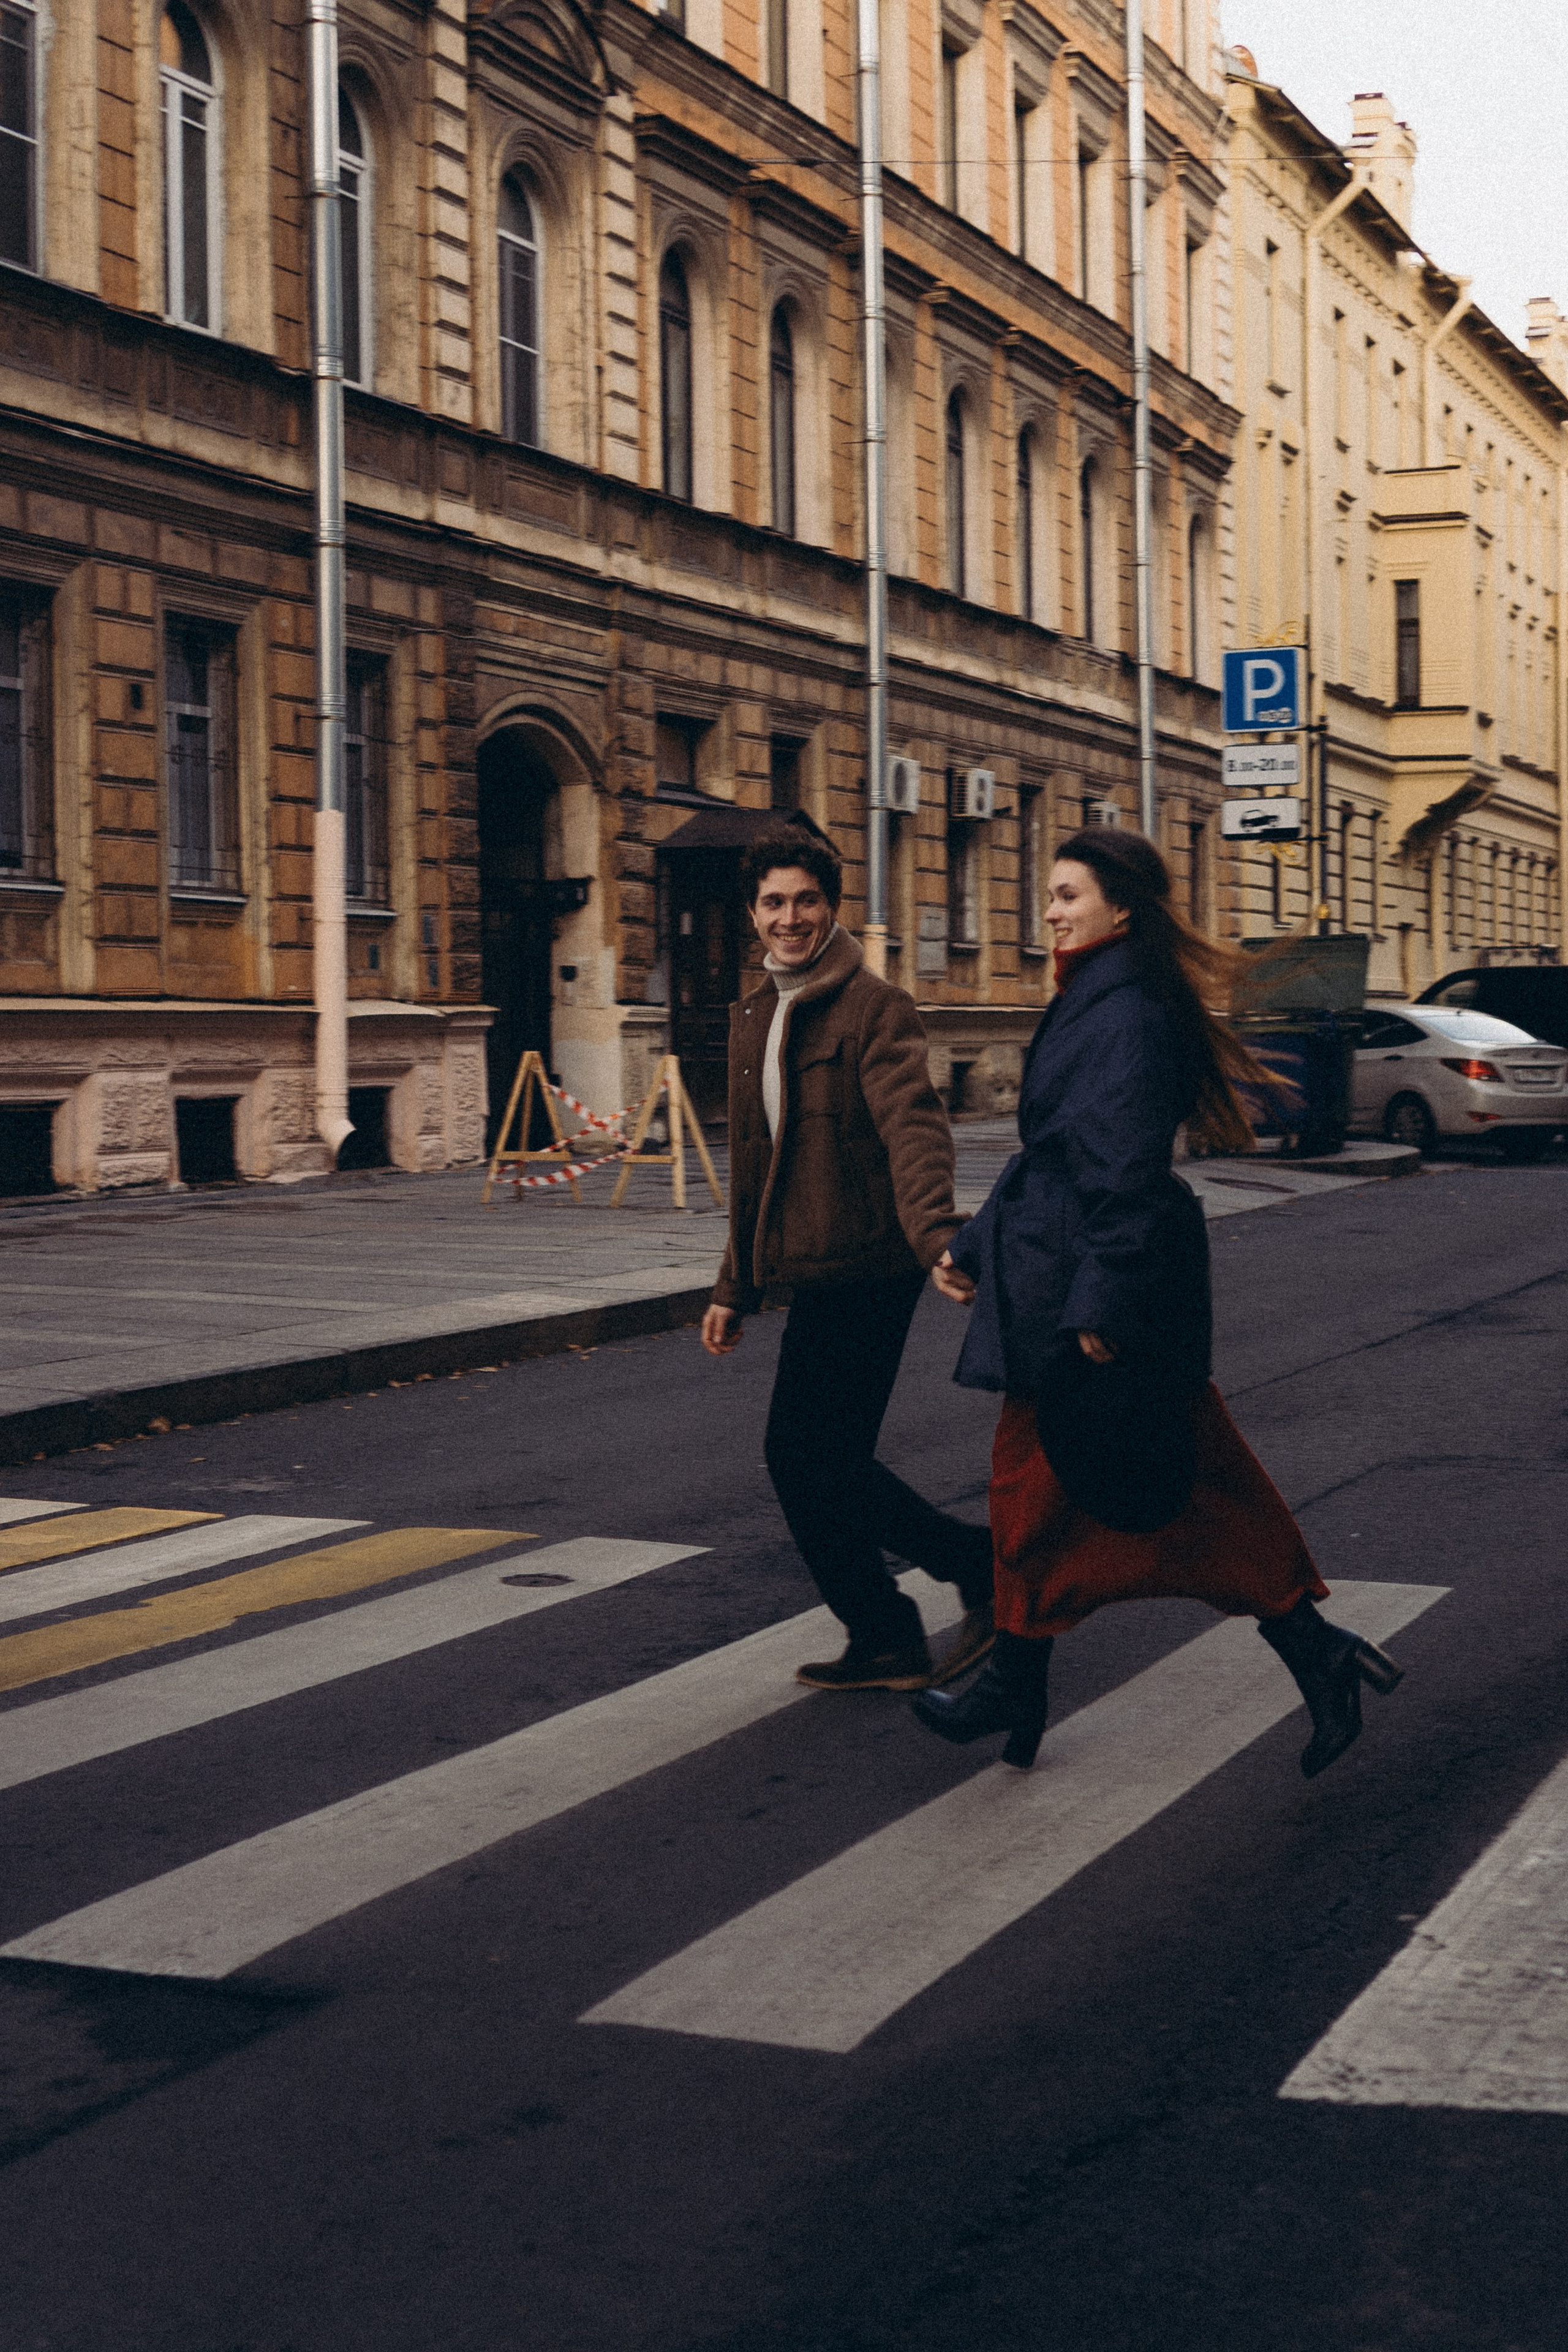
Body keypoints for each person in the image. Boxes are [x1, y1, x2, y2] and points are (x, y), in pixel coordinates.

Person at [912, 826, 1403, 1772]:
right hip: (1077, 1278)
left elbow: (1123, 1170)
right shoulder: (1101, 998)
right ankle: (1315, 1653)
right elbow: (1057, 1159)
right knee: (1198, 1493)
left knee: (1036, 1489)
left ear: (1122, 908)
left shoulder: (1124, 1014)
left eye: (1067, 895)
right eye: (1050, 895)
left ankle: (1016, 1685)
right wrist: (974, 1245)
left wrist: (1103, 1302)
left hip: (1091, 1294)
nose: (1049, 912)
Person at [701, 831, 996, 1691]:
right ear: (753, 913)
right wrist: (734, 1287)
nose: (790, 918)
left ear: (832, 907)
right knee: (816, 1462)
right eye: (773, 902)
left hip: (872, 1264)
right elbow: (754, 1165)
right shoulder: (755, 1014)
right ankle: (898, 1622)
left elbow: (914, 1127)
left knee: (807, 1458)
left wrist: (937, 1235)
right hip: (812, 1268)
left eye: (806, 900)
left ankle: (946, 1585)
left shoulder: (874, 1007)